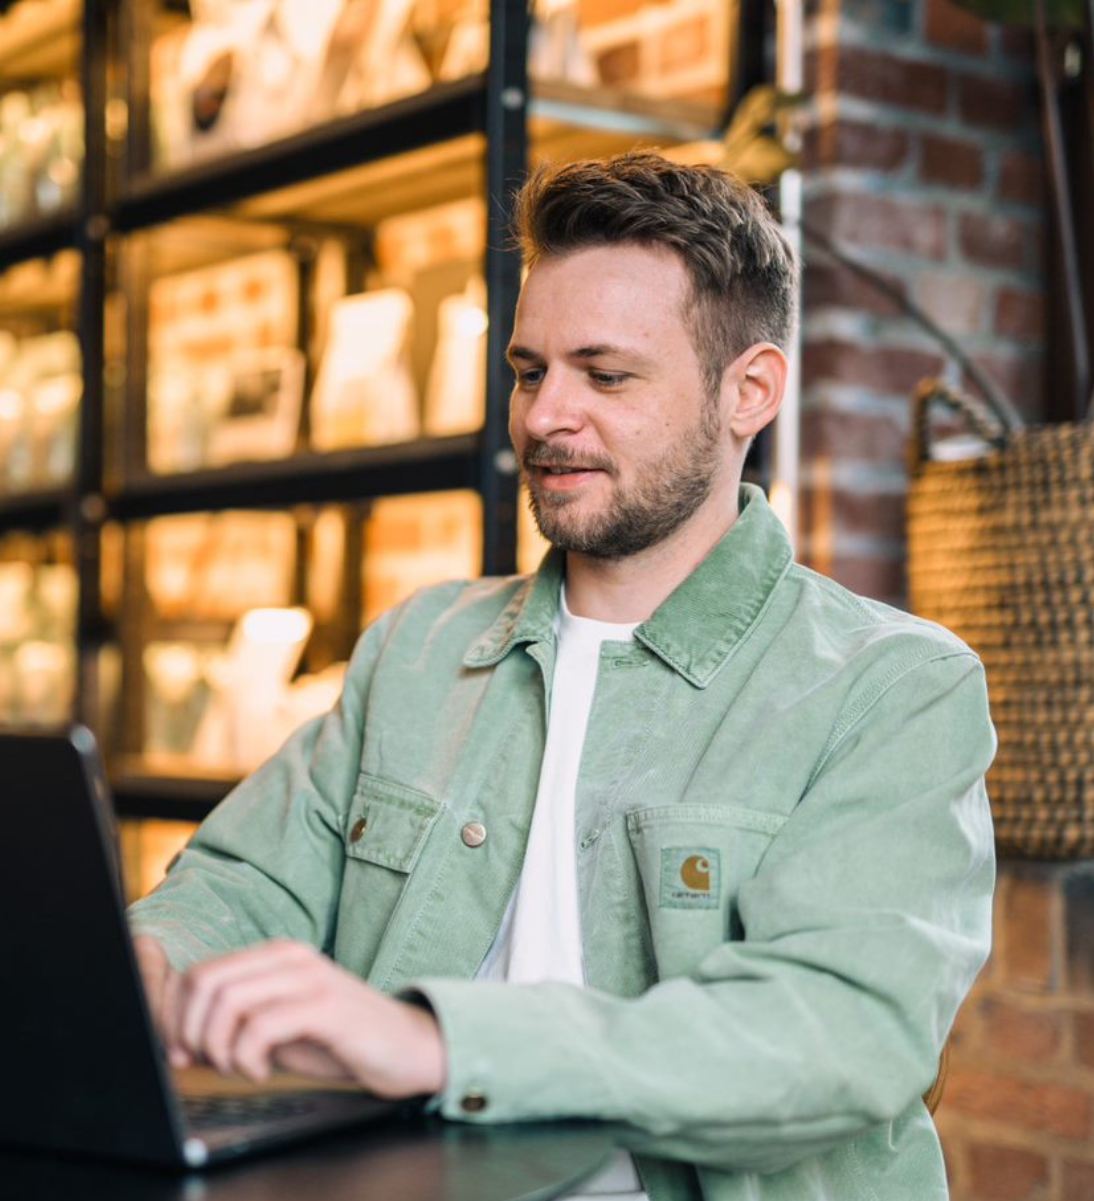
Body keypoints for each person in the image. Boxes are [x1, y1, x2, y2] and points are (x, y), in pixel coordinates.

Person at [130, 151, 996, 1201]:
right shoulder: (417, 647)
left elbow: (834, 1030)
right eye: (529, 369)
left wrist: (438, 1041)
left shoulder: (891, 686)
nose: (544, 417)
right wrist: (147, 960)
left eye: (606, 373)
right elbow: (242, 884)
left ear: (748, 393)